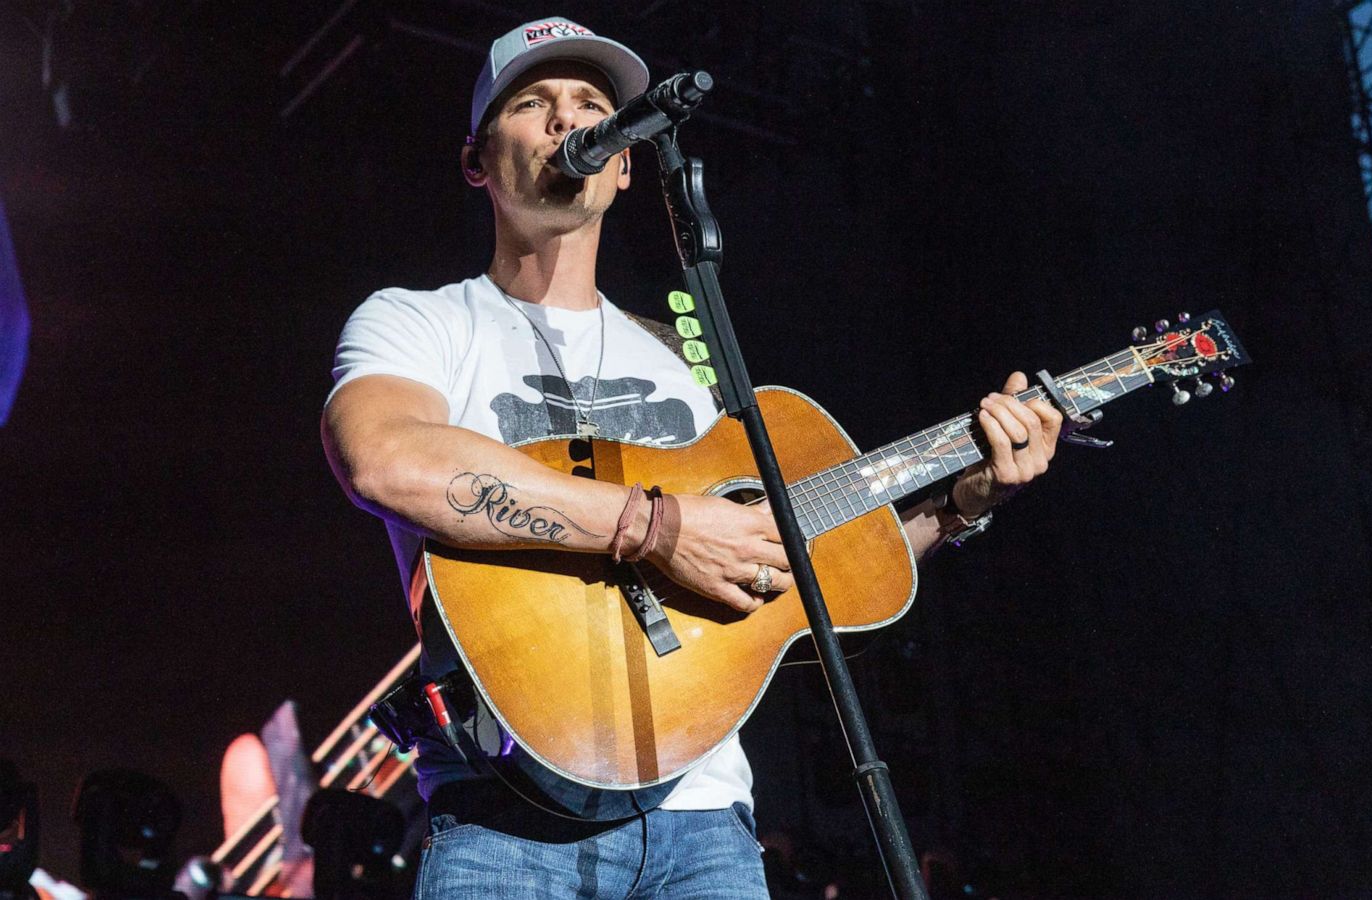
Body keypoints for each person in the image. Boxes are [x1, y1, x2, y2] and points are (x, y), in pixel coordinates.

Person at [320, 17, 1066, 899]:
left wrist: (957, 505)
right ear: (477, 161)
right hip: (502, 822)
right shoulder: (417, 322)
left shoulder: (681, 362)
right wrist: (654, 525)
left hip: (704, 822)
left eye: (594, 105)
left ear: (628, 159)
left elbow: (794, 589)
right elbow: (386, 461)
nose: (569, 121)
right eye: (534, 103)